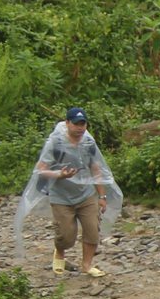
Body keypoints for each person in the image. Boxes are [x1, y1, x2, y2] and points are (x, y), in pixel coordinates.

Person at [15, 107, 119, 276]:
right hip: (61, 197)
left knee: (92, 231)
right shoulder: (55, 143)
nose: (80, 128)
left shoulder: (88, 143)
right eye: (76, 124)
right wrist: (59, 174)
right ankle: (60, 251)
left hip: (86, 195)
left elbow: (96, 170)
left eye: (83, 124)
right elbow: (40, 170)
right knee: (66, 236)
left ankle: (86, 265)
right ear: (67, 123)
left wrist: (102, 196)